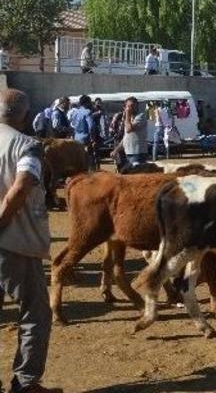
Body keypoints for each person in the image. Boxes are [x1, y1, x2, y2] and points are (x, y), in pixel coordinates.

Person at [0, 89, 64, 393]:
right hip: (15, 242)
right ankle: (26, 384)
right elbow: (23, 184)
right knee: (36, 312)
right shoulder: (27, 146)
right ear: (24, 115)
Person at [67, 95, 97, 169]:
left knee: (78, 158)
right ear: (86, 103)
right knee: (88, 159)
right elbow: (91, 126)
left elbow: (72, 125)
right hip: (86, 138)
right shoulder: (87, 112)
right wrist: (92, 138)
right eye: (90, 102)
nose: (91, 104)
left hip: (76, 138)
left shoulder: (75, 112)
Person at [122, 97, 148, 166]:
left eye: (133, 106)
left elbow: (128, 129)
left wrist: (127, 114)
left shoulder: (140, 116)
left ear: (137, 106)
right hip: (128, 153)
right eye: (129, 106)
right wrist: (116, 150)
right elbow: (126, 137)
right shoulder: (129, 119)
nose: (131, 108)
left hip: (138, 154)